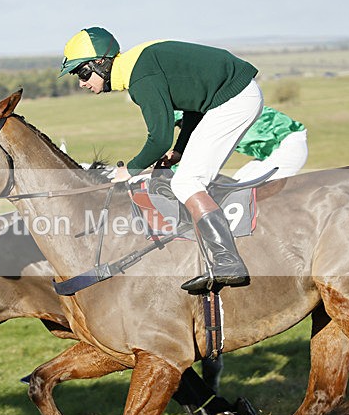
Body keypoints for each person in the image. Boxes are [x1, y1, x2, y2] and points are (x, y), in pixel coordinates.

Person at [60, 28, 263, 294]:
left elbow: (159, 139)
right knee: (186, 176)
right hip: (225, 99)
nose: (82, 83)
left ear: (102, 62)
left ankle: (228, 262)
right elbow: (195, 103)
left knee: (187, 182)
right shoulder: (138, 65)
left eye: (83, 73)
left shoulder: (141, 77)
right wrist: (179, 150)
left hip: (235, 100)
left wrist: (129, 171)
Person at [174, 107, 308, 182]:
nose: (182, 130)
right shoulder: (214, 115)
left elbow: (204, 158)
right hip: (271, 152)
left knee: (244, 190)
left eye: (181, 125)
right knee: (237, 182)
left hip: (288, 146)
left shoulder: (214, 123)